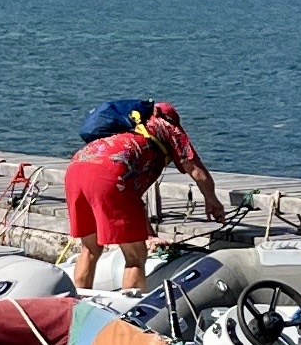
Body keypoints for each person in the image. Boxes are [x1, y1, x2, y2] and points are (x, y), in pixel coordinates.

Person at [64, 100, 222, 294]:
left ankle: (75, 302)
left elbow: (132, 202)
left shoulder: (127, 130)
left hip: (76, 169)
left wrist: (149, 235)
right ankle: (131, 309)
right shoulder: (169, 128)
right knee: (135, 257)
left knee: (90, 249)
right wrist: (212, 200)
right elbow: (197, 171)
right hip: (110, 175)